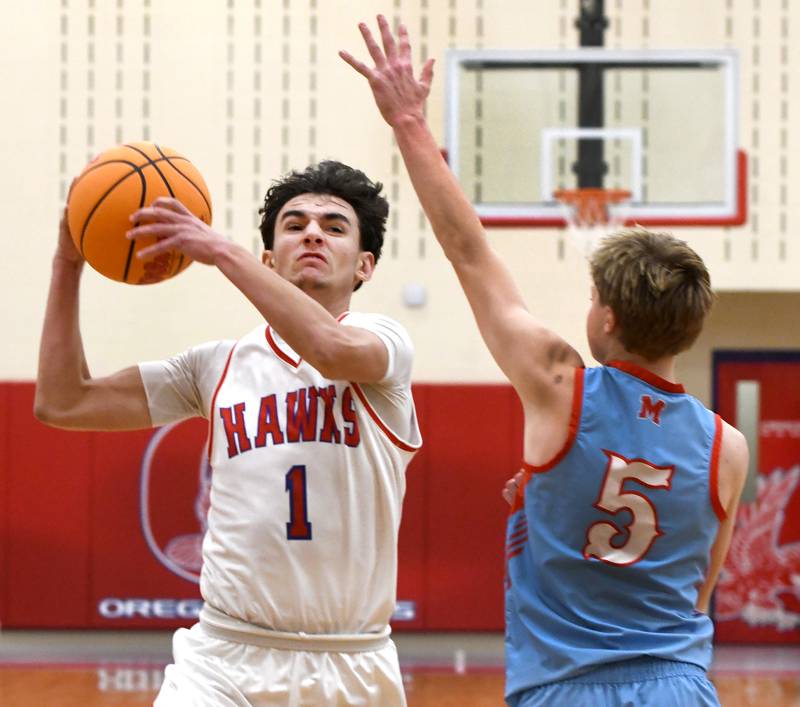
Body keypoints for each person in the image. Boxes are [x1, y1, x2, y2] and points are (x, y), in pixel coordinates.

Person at [342, 16, 748, 707]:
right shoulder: (727, 448)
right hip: (681, 686)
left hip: (568, 685)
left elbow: (468, 251)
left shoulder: (561, 386)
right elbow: (696, 591)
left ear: (607, 317)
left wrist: (409, 120)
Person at [35, 160, 421, 706]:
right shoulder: (214, 367)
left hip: (350, 662)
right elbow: (62, 401)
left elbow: (329, 351)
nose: (312, 232)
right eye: (294, 224)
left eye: (334, 227)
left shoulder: (384, 344)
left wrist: (218, 251)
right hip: (222, 658)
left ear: (364, 265)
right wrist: (68, 261)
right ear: (269, 258)